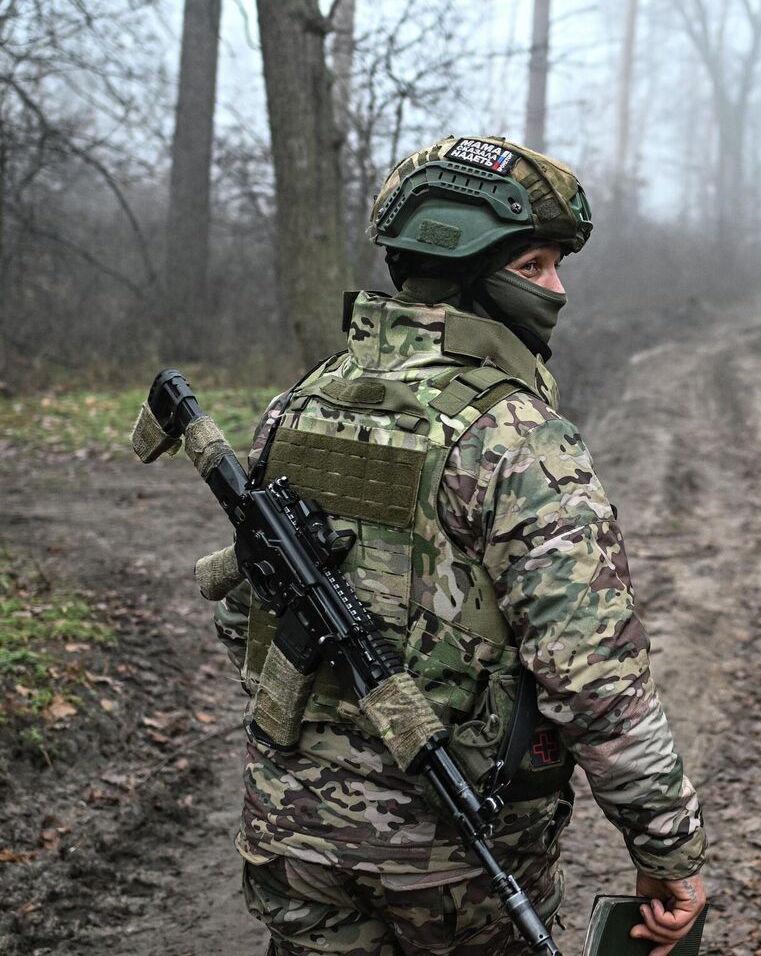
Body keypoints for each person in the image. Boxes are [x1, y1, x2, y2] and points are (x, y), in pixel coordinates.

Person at [207, 135, 708, 955]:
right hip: (457, 864)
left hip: (295, 839)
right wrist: (667, 850)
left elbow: (242, 621)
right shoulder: (517, 437)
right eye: (535, 264)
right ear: (465, 265)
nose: (557, 289)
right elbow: (594, 680)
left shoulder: (299, 405)